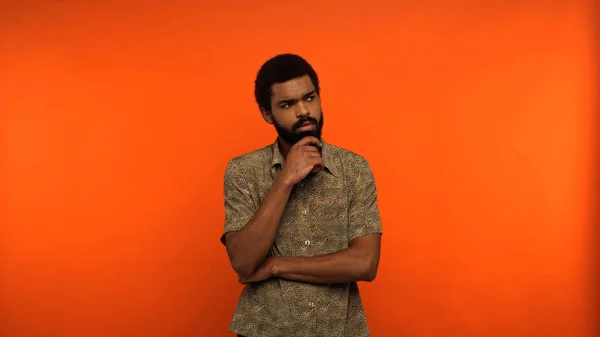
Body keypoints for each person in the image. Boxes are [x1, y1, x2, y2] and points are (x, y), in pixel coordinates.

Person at [220, 53, 383, 337]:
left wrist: (275, 265)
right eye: (287, 104)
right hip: (262, 330)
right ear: (267, 114)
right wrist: (284, 180)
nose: (303, 111)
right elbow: (244, 262)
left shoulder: (354, 169)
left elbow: (365, 263)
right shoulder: (243, 171)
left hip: (340, 331)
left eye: (309, 98)